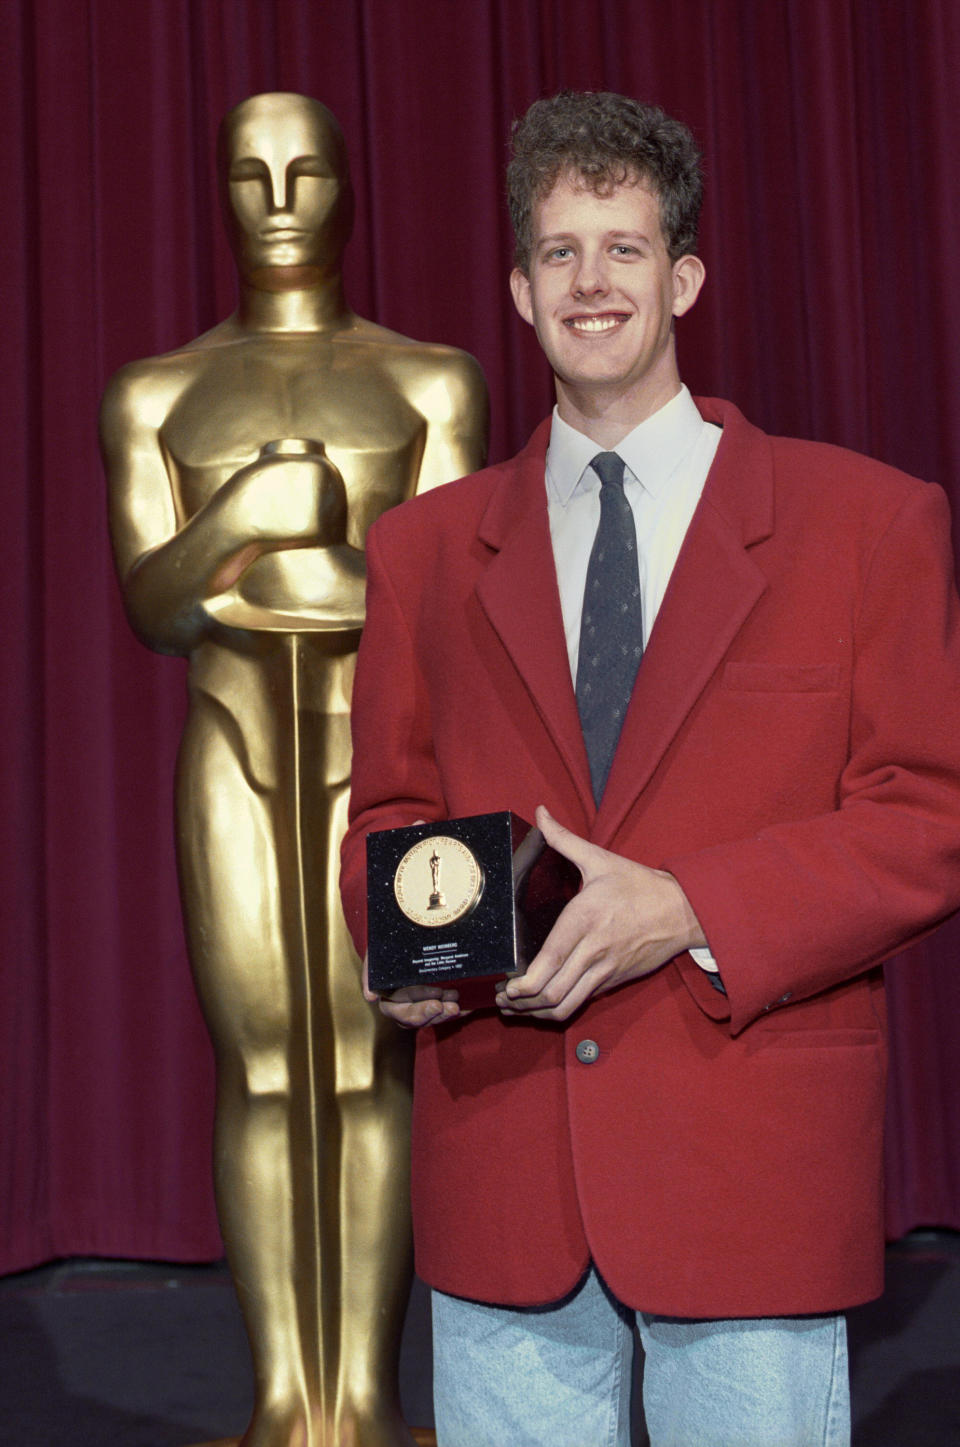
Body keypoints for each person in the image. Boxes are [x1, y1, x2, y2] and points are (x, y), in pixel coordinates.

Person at [339, 90, 960, 1447]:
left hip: (750, 1166)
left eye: (623, 247)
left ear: (682, 277)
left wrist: (683, 905)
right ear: (518, 288)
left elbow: (928, 819)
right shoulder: (425, 552)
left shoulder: (866, 524)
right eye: (560, 251)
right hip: (503, 1152)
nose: (592, 282)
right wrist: (409, 953)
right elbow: (392, 811)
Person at [100, 92, 487, 1447]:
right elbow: (155, 605)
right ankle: (283, 1402)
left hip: (388, 761)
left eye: (307, 168)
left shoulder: (427, 382)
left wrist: (283, 572)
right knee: (261, 1069)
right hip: (234, 753)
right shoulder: (155, 393)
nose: (278, 195)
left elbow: (454, 611)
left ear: (347, 189)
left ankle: (367, 1403)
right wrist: (247, 521)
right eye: (251, 171)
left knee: (375, 1061)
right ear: (218, 188)